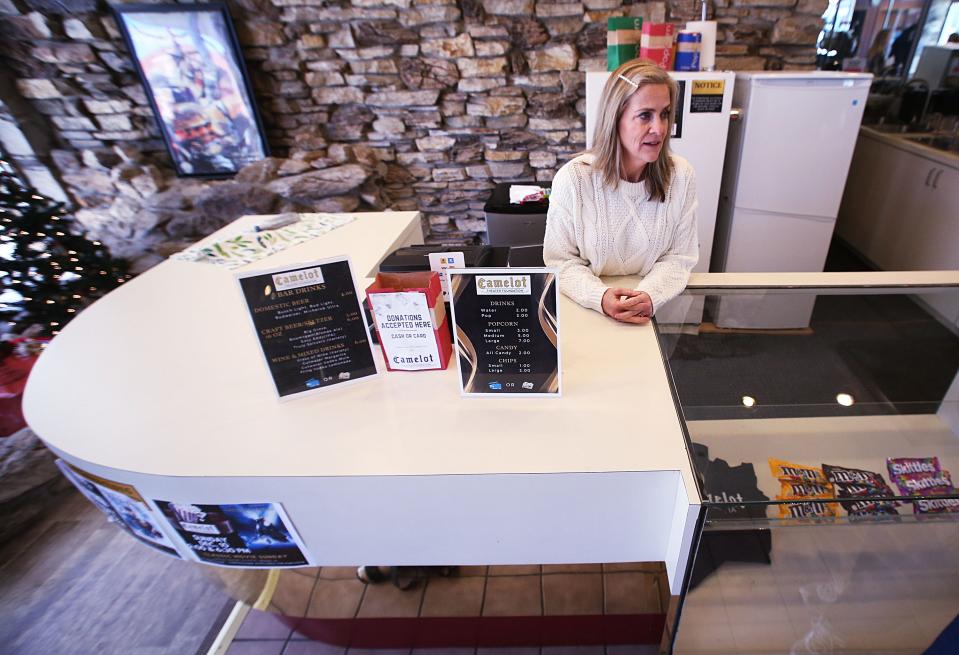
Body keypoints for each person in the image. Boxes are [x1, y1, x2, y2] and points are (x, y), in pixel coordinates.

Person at [544, 59, 698, 325]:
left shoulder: (681, 176)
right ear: (615, 118)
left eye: (664, 114)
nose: (659, 129)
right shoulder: (574, 179)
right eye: (645, 115)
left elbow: (680, 258)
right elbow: (560, 261)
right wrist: (600, 297)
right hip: (588, 313)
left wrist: (649, 296)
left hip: (654, 317)